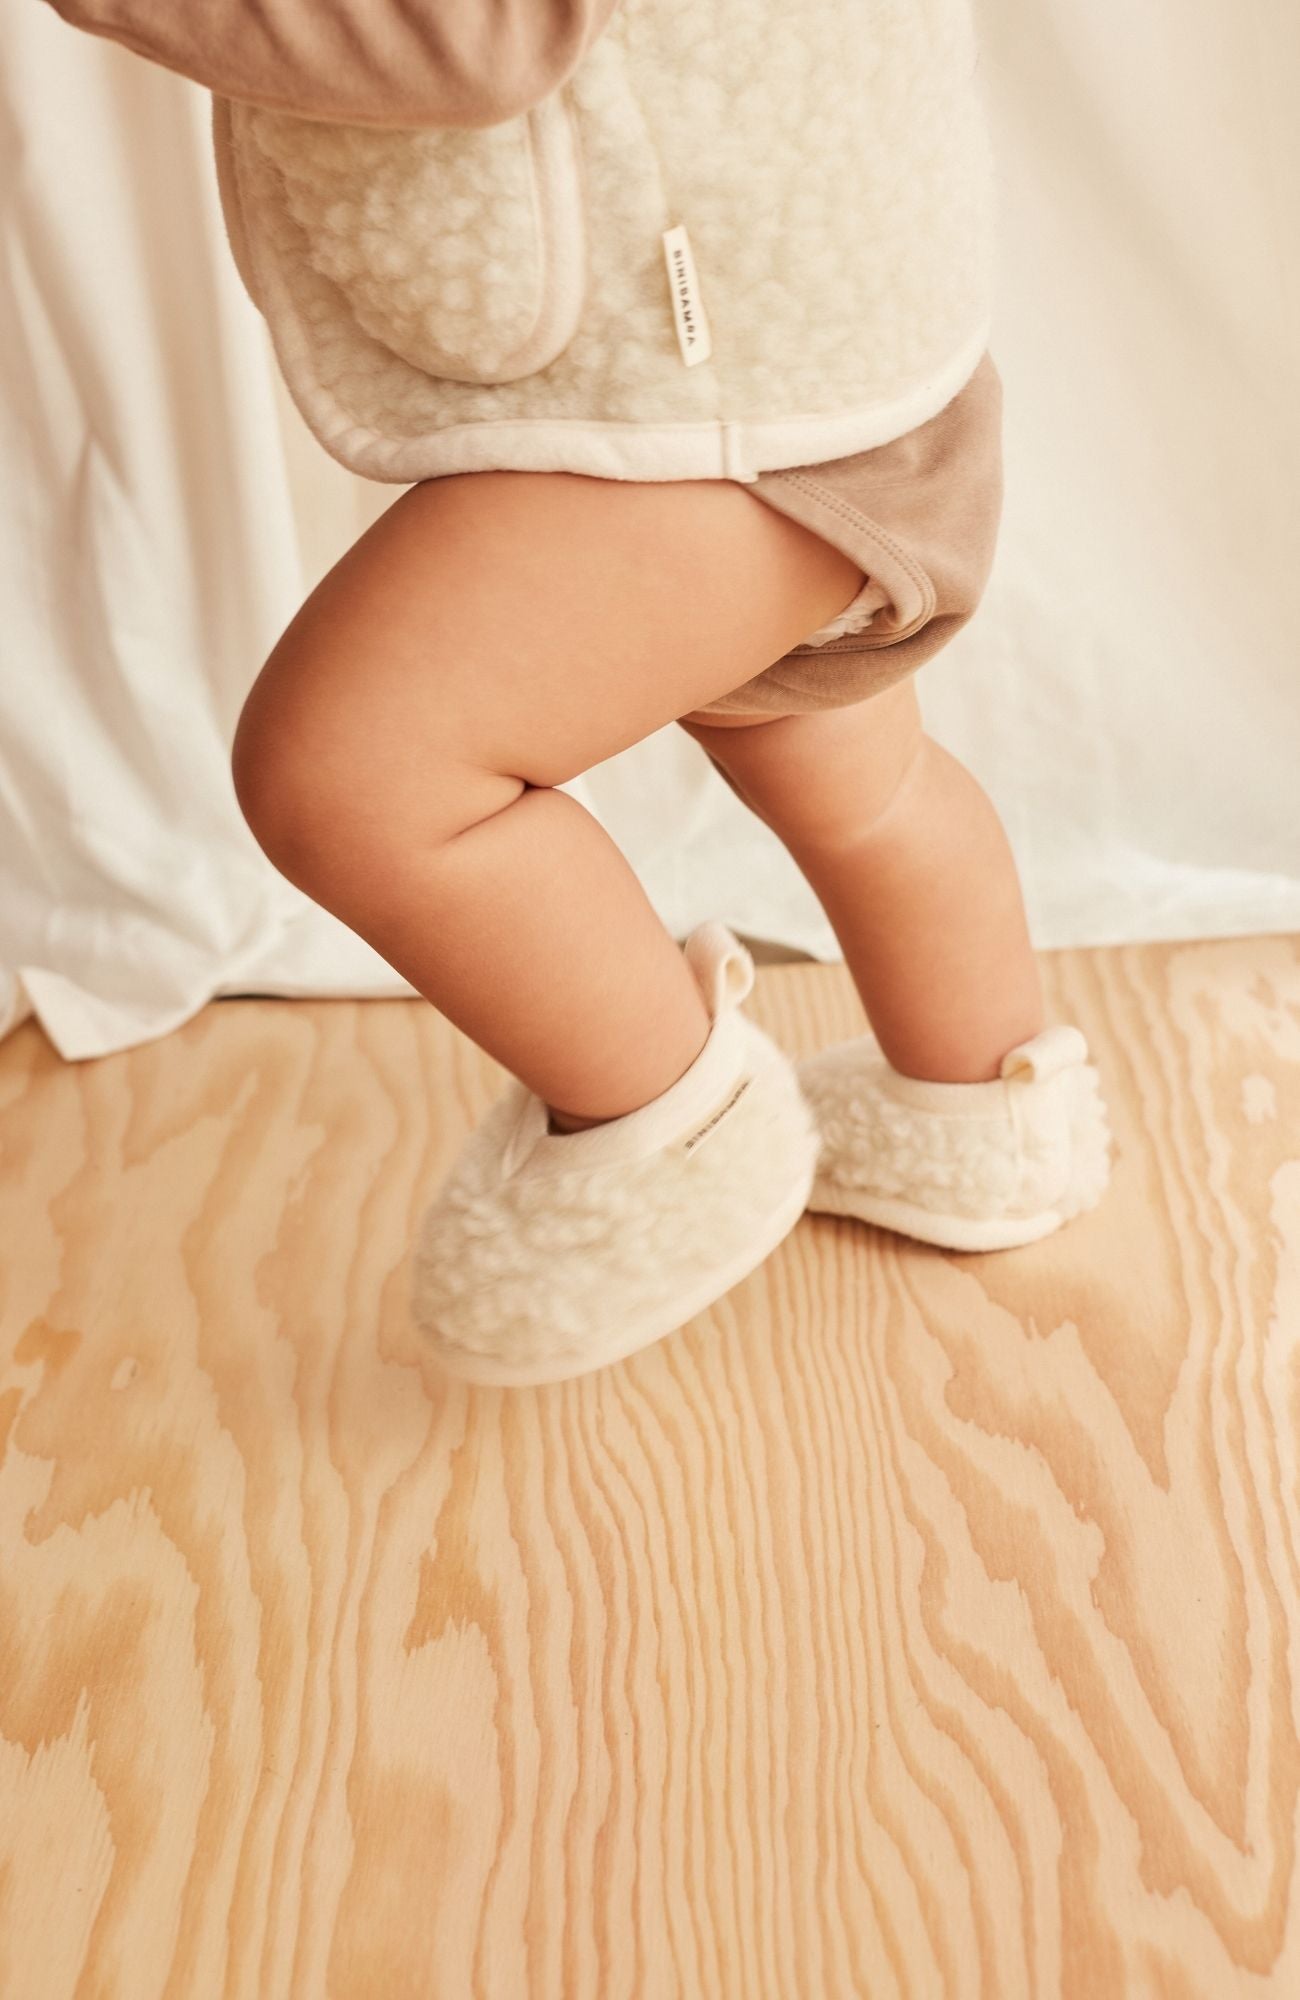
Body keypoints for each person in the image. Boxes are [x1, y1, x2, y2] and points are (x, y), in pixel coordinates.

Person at [42, 0, 1112, 1384]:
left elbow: (478, 39)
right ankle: (981, 1120)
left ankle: (668, 1126)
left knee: (352, 774)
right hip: (812, 340)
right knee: (859, 781)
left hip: (721, 387)